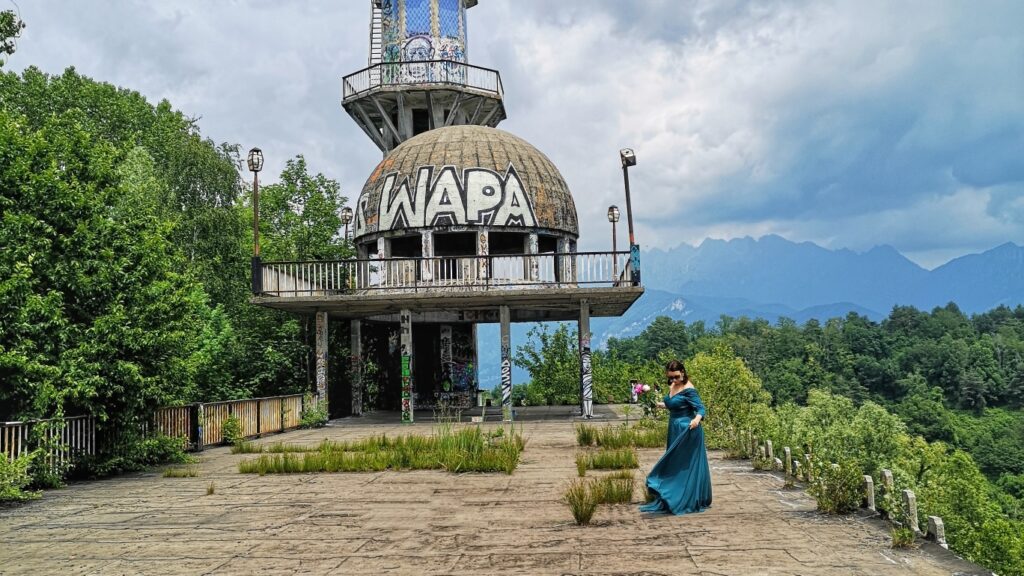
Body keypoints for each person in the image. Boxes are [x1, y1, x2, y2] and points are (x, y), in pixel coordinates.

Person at [639, 359, 712, 515]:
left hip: (688, 430)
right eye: (670, 377)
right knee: (674, 462)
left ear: (683, 373)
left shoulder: (689, 389)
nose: (673, 380)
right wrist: (658, 404)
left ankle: (685, 498)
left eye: (676, 377)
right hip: (674, 428)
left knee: (682, 465)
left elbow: (701, 408)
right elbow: (673, 404)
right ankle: (672, 495)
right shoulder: (673, 385)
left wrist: (696, 420)